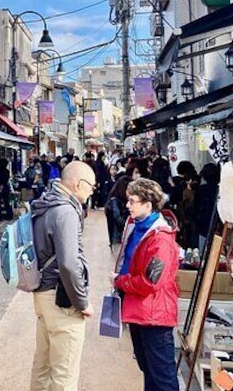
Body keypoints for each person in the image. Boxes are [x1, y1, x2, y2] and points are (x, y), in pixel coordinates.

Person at [30, 161, 96, 390]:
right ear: (78, 184)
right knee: (64, 373)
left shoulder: (45, 204)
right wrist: (82, 302)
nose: (92, 191)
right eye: (91, 186)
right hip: (61, 300)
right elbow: (69, 264)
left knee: (43, 365)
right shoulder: (66, 211)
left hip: (42, 294)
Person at [112, 178, 180, 391]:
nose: (127, 205)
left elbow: (151, 281)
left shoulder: (160, 239)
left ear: (148, 205)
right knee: (149, 370)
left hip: (154, 315)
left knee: (162, 376)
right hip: (139, 310)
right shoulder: (135, 226)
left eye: (132, 201)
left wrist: (120, 281)